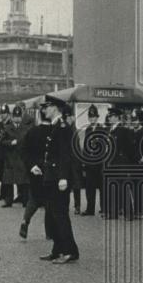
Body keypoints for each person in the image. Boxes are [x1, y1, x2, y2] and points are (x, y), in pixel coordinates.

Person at [26, 94, 80, 264]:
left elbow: (65, 155)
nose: (44, 110)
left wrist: (63, 177)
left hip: (59, 178)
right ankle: (57, 250)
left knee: (60, 215)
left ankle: (70, 251)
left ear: (55, 108)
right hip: (52, 176)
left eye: (47, 107)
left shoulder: (62, 127)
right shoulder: (56, 126)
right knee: (53, 214)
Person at [0, 105, 29, 207]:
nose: (17, 119)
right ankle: (8, 200)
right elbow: (1, 142)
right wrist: (11, 142)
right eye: (15, 117)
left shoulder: (26, 128)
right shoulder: (6, 128)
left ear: (21, 117)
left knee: (23, 181)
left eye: (19, 117)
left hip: (21, 158)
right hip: (10, 158)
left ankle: (25, 200)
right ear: (12, 117)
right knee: (9, 181)